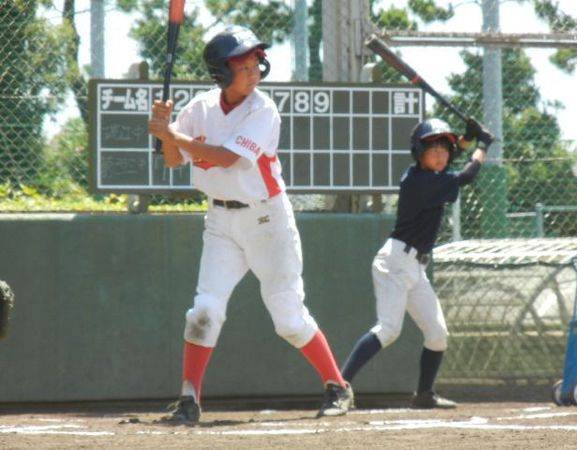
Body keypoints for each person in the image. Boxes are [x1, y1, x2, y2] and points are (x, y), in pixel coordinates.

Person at [148, 26, 352, 424]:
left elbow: (227, 158)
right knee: (204, 310)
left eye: (256, 62)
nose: (254, 70)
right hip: (220, 221)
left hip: (266, 221)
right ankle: (189, 399)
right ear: (222, 73)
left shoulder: (263, 110)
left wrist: (172, 134)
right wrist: (165, 130)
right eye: (243, 65)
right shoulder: (200, 109)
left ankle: (337, 385)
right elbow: (173, 160)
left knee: (288, 318)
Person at [340, 117, 493, 409]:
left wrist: (466, 138)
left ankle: (424, 394)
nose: (440, 154)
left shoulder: (431, 175)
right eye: (432, 149)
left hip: (416, 267)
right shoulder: (420, 181)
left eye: (444, 149)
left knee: (437, 335)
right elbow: (466, 175)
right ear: (419, 153)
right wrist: (482, 145)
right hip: (396, 262)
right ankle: (339, 386)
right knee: (388, 329)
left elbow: (449, 161)